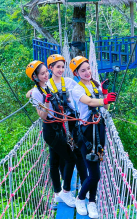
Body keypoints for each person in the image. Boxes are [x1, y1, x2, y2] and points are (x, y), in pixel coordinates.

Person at [70, 56, 117, 218]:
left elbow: (106, 106)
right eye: (83, 70)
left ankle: (92, 202)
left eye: (88, 68)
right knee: (95, 174)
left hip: (99, 128)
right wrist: (103, 98)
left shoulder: (95, 84)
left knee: (96, 168)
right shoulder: (77, 89)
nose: (87, 72)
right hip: (86, 132)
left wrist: (105, 95)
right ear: (76, 73)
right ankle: (80, 198)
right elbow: (89, 102)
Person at [25, 60, 76, 208]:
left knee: (54, 162)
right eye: (42, 73)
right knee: (70, 158)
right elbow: (43, 115)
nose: (46, 74)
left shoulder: (47, 85)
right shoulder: (36, 92)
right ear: (35, 77)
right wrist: (46, 102)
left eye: (46, 72)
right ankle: (66, 192)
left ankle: (58, 193)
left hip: (58, 126)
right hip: (50, 130)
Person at [46, 54, 88, 192]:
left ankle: (84, 184)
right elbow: (34, 93)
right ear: (50, 68)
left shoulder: (69, 82)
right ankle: (61, 190)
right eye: (58, 67)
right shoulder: (46, 85)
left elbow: (82, 87)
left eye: (63, 67)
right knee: (56, 157)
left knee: (77, 152)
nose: (61, 69)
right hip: (55, 124)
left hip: (70, 121)